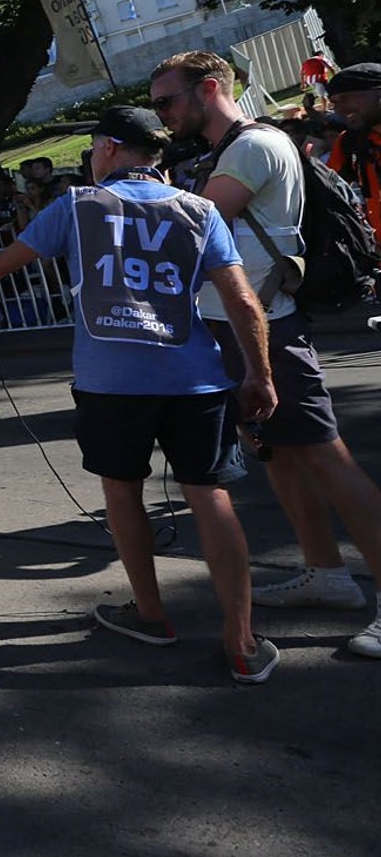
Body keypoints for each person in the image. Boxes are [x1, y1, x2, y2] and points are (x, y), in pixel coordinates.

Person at [0, 107, 283, 683]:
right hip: (194, 379)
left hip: (110, 382)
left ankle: (151, 615)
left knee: (123, 493)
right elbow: (243, 301)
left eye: (93, 149)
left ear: (108, 148)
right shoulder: (199, 210)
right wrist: (259, 375)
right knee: (211, 497)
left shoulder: (77, 204)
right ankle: (242, 642)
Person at [150, 51, 381, 660]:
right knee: (280, 454)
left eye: (167, 102)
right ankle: (326, 573)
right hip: (241, 324)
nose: (162, 115)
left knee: (326, 456)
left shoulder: (252, 146)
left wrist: (138, 192)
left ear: (208, 89)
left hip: (265, 325)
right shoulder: (233, 149)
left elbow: (191, 231)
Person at [325, 62, 381, 243]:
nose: (339, 110)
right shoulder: (349, 142)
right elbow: (329, 189)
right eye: (334, 103)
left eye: (345, 98)